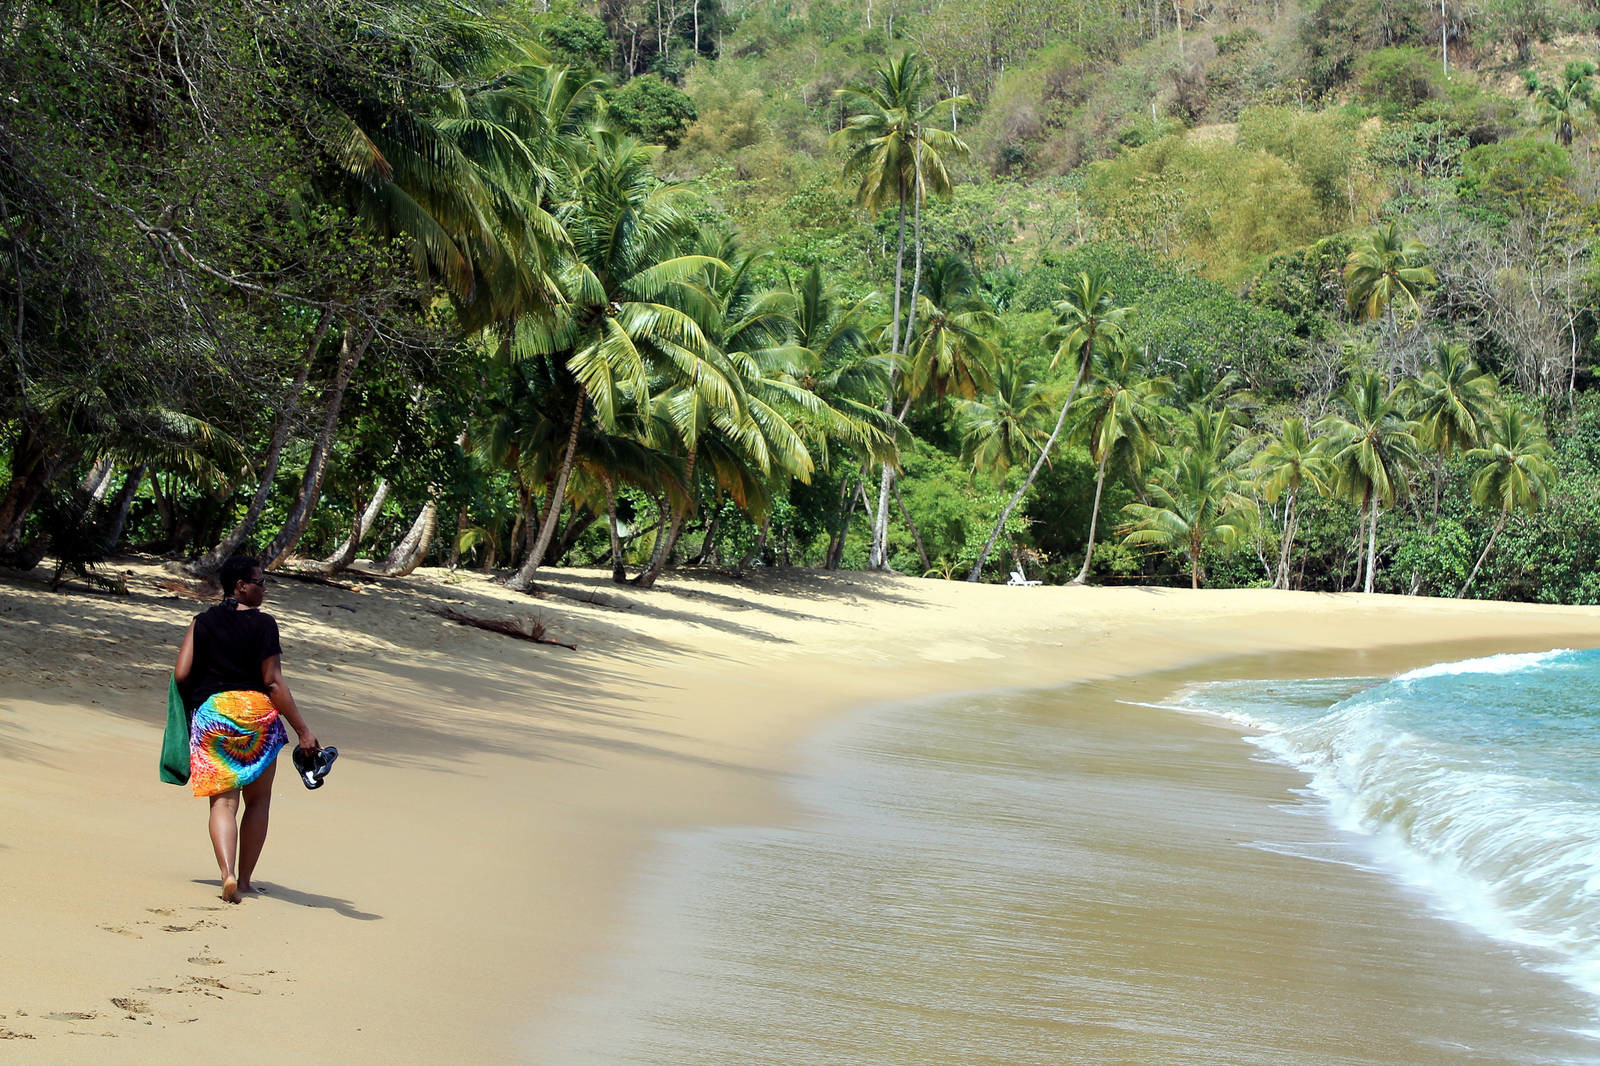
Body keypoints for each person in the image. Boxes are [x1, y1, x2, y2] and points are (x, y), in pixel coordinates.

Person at [174, 555, 318, 902]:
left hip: (214, 716)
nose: (265, 588)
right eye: (260, 581)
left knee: (222, 805)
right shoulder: (264, 624)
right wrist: (302, 731)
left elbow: (181, 673)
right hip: (256, 716)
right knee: (258, 801)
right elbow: (272, 682)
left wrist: (196, 705)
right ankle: (246, 882)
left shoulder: (202, 621)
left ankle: (227, 873)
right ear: (240, 585)